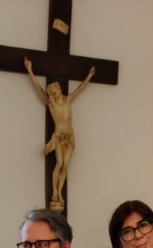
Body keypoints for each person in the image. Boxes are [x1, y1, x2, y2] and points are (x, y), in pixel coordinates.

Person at [23, 57, 95, 211]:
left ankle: (60, 193)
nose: (58, 89)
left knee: (65, 166)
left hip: (70, 138)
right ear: (52, 92)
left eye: (57, 88)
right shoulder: (51, 104)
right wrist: (30, 70)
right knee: (59, 164)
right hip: (59, 137)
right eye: (55, 89)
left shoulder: (68, 100)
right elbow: (38, 88)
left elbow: (80, 89)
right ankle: (55, 192)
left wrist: (88, 76)